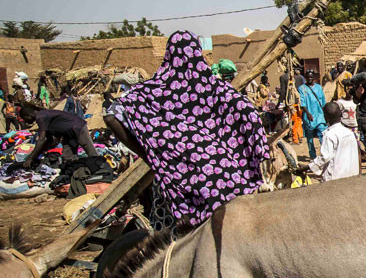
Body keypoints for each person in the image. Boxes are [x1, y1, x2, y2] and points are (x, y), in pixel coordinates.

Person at [103, 30, 268, 229]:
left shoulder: (153, 91)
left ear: (168, 54)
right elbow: (250, 114)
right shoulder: (217, 89)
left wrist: (150, 155)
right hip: (226, 182)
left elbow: (111, 116)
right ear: (198, 53)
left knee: (175, 246)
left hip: (180, 189)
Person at [18, 103, 98, 165]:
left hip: (77, 127)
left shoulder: (41, 117)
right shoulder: (43, 115)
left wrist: (30, 158)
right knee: (68, 157)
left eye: (25, 118)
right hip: (67, 133)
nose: (26, 121)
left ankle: (100, 168)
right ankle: (75, 172)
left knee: (90, 150)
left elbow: (41, 140)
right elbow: (48, 140)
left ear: (28, 115)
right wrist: (37, 155)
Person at [301, 101, 359, 181]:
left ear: (325, 117)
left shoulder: (330, 135)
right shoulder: (350, 133)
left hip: (335, 179)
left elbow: (324, 157)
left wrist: (307, 167)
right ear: (341, 115)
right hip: (352, 176)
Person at [299, 70, 327, 160]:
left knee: (322, 135)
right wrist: (307, 113)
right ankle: (313, 156)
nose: (310, 79)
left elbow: (323, 101)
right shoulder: (302, 88)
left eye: (311, 77)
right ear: (305, 78)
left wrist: (325, 114)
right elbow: (302, 103)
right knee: (310, 138)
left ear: (314, 78)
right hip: (309, 116)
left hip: (319, 115)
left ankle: (324, 154)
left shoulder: (319, 87)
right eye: (308, 77)